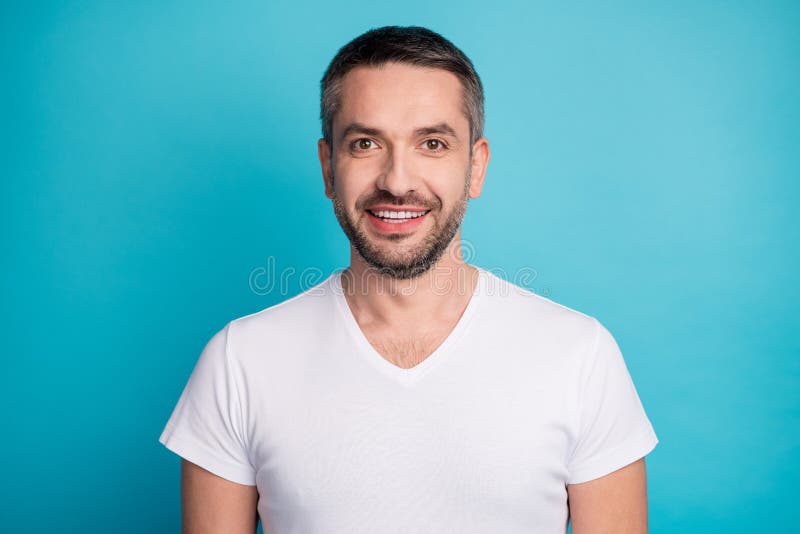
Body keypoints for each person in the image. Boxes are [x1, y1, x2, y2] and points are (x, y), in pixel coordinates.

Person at [159, 25, 659, 534]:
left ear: (476, 167)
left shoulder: (580, 356)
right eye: (366, 143)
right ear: (328, 168)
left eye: (433, 143)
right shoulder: (238, 362)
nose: (397, 181)